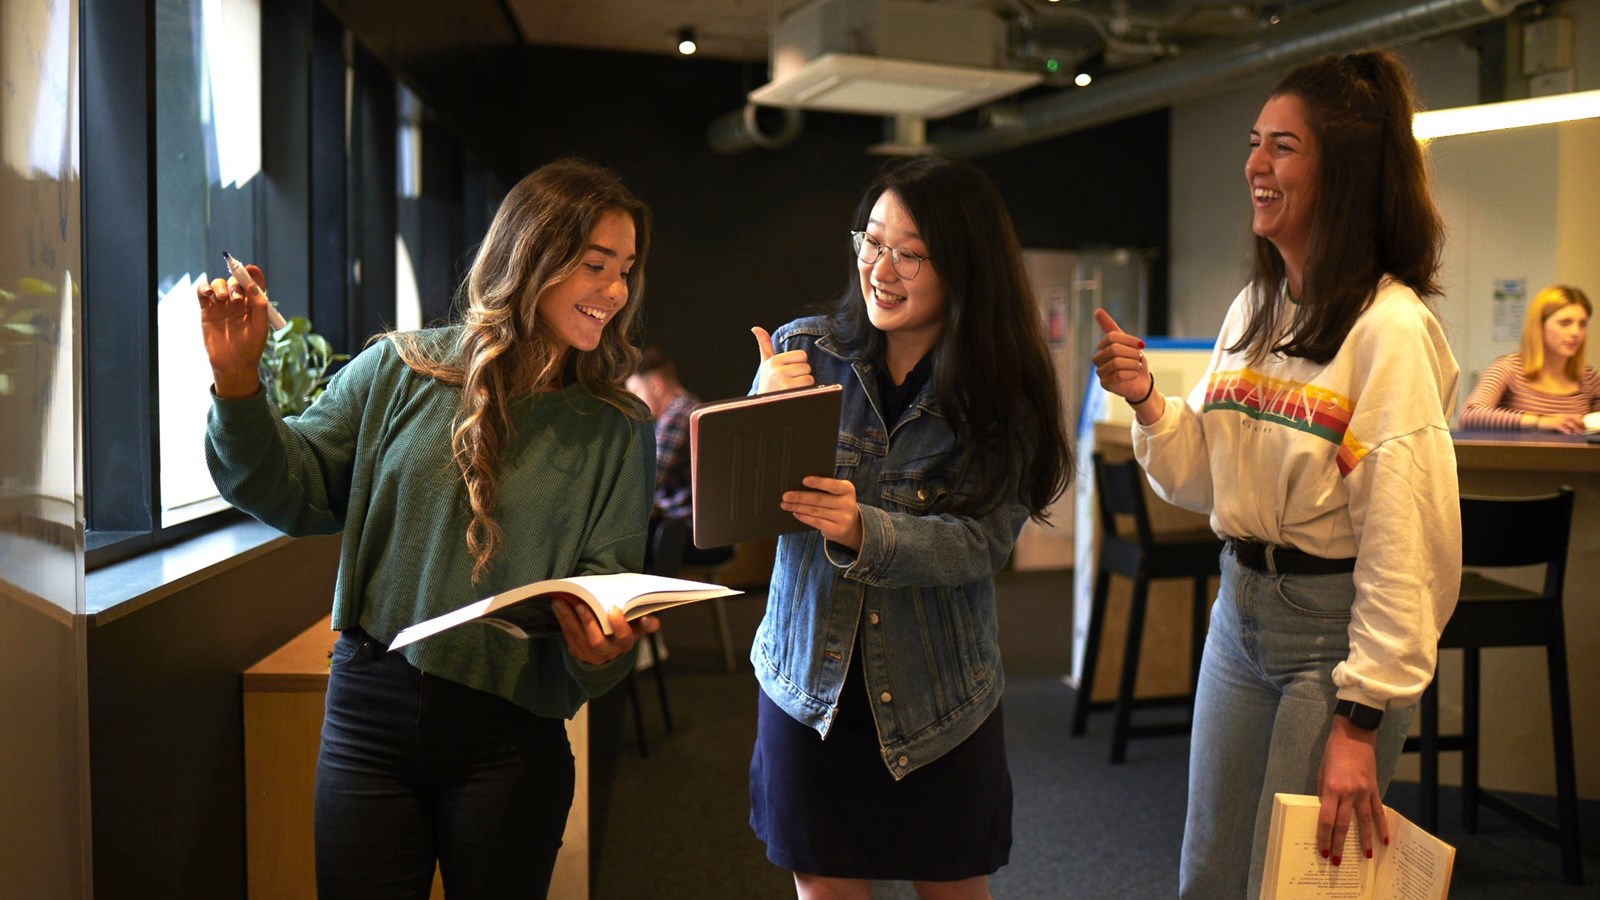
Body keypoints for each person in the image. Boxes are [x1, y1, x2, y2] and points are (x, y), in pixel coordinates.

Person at [197, 158, 658, 898]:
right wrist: (238, 384)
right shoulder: (398, 369)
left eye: (625, 269)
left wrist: (603, 648)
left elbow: (606, 594)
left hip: (511, 734)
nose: (614, 291)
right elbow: (289, 488)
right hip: (369, 717)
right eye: (593, 264)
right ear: (529, 254)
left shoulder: (615, 428)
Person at [1091, 51, 1461, 899]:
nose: (1255, 164)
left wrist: (1361, 721)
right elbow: (1206, 477)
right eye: (1257, 143)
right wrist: (1148, 399)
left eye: (1283, 147)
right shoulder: (1255, 310)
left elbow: (1410, 545)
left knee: (1289, 885)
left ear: (1345, 174)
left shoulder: (1389, 330)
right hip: (1240, 616)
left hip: (1331, 639)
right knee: (1210, 874)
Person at [745, 156, 1072, 899]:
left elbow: (984, 543)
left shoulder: (1001, 392)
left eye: (911, 253)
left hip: (940, 694)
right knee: (824, 889)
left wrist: (869, 532)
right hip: (809, 685)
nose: (881, 269)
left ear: (965, 265)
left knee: (952, 887)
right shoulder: (805, 352)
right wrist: (756, 413)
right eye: (872, 241)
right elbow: (736, 505)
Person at [626, 346, 732, 568]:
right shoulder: (691, 408)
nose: (634, 402)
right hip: (704, 533)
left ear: (655, 385)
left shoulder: (678, 415)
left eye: (636, 392)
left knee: (619, 546)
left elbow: (648, 481)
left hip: (690, 535)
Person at [1457, 284, 1598, 432]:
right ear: (1539, 326)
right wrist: (1540, 422)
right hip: (1516, 455)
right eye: (1565, 323)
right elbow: (1469, 415)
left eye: (1582, 324)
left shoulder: (1589, 379)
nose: (1576, 332)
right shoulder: (1508, 368)